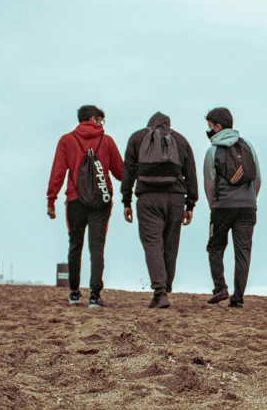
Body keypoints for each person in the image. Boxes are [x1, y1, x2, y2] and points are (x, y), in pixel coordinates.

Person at [47, 105, 123, 308]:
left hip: (75, 200)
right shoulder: (106, 141)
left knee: (75, 245)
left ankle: (74, 292)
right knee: (97, 247)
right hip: (101, 201)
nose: (101, 124)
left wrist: (51, 199)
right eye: (100, 120)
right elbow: (119, 172)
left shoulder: (67, 140)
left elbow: (58, 171)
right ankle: (95, 296)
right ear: (93, 119)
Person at [121, 112, 198, 308]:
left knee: (153, 245)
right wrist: (190, 204)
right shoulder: (181, 141)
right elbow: (190, 174)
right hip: (175, 199)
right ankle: (165, 287)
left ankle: (160, 292)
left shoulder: (137, 138)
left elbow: (128, 171)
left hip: (148, 199)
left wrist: (126, 201)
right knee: (171, 245)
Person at [203, 107, 262, 308]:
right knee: (243, 251)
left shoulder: (212, 151)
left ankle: (220, 288)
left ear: (218, 127)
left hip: (222, 206)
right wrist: (251, 200)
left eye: (210, 127)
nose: (209, 131)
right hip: (247, 207)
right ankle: (238, 298)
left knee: (215, 247)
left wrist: (214, 206)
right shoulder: (248, 147)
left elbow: (209, 184)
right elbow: (258, 178)